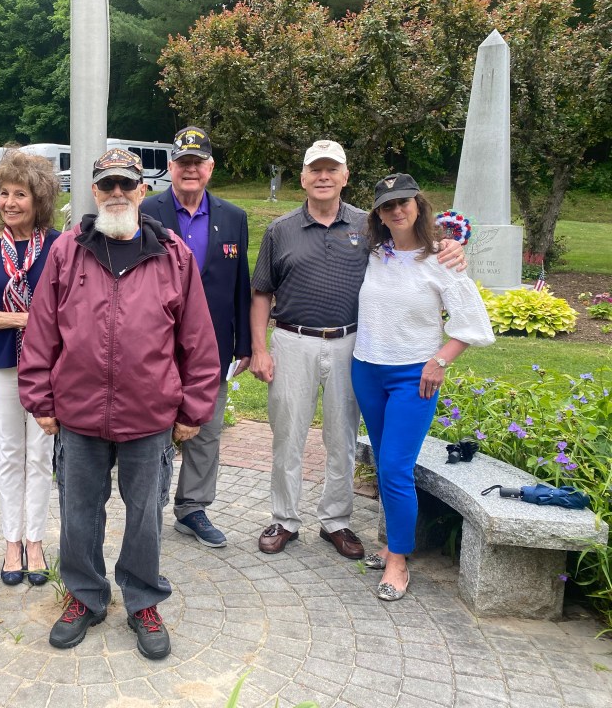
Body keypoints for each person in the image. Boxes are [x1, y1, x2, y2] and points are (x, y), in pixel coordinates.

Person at [18, 148, 220, 660]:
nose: (116, 194)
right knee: (79, 512)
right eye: (106, 185)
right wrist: (40, 398)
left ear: (142, 191)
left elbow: (197, 338)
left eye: (126, 185)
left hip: (149, 415)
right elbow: (42, 331)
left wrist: (193, 408)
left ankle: (142, 600)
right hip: (79, 414)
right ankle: (84, 597)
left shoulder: (173, 254)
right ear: (93, 191)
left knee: (146, 515)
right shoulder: (67, 251)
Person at [249, 140, 464, 560]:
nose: (324, 177)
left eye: (332, 170)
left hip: (352, 344)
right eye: (316, 170)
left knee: (341, 435)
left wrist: (451, 247)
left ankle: (336, 520)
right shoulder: (280, 229)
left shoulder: (369, 229)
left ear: (346, 177)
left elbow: (414, 244)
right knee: (288, 433)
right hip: (292, 341)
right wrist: (259, 348)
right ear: (304, 178)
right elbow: (261, 292)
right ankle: (285, 518)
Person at [352, 173, 493, 600]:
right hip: (367, 370)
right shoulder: (376, 253)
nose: (397, 210)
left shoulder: (442, 259)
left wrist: (440, 360)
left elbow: (472, 324)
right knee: (384, 462)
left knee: (395, 467)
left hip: (413, 376)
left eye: (404, 202)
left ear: (418, 204)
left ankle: (398, 561)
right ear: (378, 213)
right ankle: (392, 542)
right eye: (387, 205)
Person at [140, 125, 251, 549]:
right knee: (155, 427)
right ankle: (148, 504)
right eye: (182, 163)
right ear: (170, 167)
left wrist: (244, 342)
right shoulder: (146, 210)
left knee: (206, 428)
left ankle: (193, 509)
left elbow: (240, 283)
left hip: (214, 346)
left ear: (210, 168)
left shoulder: (233, 218)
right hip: (155, 344)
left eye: (197, 163)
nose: (190, 170)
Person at [0, 150, 61, 587]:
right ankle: (10, 542)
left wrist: (39, 320)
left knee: (40, 455)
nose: (10, 203)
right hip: (4, 364)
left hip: (48, 366)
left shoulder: (60, 246)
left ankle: (36, 541)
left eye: (20, 194)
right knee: (9, 452)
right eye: (4, 194)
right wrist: (26, 318)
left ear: (38, 199)